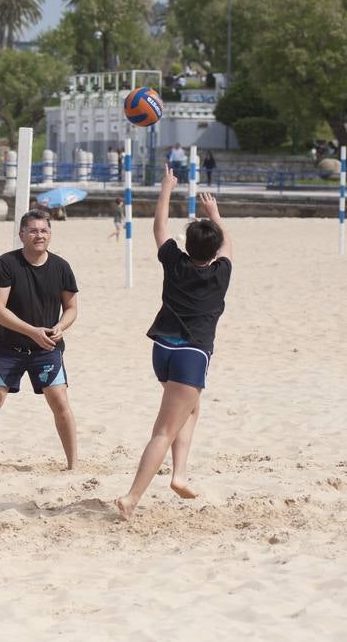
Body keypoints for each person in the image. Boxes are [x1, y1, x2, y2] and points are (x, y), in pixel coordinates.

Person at [115, 168, 233, 520]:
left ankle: (179, 474)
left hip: (163, 351)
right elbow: (228, 243)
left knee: (191, 408)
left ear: (188, 246)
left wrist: (166, 188)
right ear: (212, 252)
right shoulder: (220, 273)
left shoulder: (175, 263)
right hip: (191, 354)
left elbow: (159, 228)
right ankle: (132, 497)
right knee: (164, 430)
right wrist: (214, 214)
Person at [0, 209, 80, 468]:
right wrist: (33, 331)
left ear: (50, 234)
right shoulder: (6, 264)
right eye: (33, 230)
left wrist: (61, 326)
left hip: (47, 349)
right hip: (6, 348)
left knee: (60, 403)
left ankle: (73, 464)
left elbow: (72, 308)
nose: (38, 235)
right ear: (21, 234)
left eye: (43, 230)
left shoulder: (61, 267)